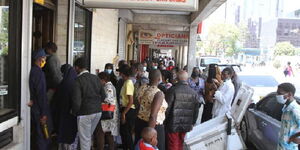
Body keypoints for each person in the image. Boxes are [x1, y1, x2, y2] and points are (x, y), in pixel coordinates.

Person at [72, 57, 106, 150]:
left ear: (77, 67)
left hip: (85, 113)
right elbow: (104, 96)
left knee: (85, 139)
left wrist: (74, 112)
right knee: (88, 136)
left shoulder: (78, 80)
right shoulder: (95, 78)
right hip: (97, 112)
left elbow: (76, 101)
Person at [165, 70, 200, 150]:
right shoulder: (194, 93)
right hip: (186, 124)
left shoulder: (172, 90)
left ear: (177, 78)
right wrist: (192, 123)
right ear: (187, 79)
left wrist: (165, 121)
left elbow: (167, 108)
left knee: (173, 145)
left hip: (172, 124)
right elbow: (196, 111)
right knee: (181, 145)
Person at [135, 70, 168, 150]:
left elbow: (136, 105)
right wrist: (151, 136)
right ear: (159, 78)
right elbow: (153, 116)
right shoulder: (158, 94)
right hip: (153, 127)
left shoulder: (141, 88)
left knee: (140, 146)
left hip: (140, 123)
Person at [29, 49, 52, 150]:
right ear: (40, 59)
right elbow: (41, 94)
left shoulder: (33, 71)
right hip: (40, 109)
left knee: (40, 135)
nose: (45, 60)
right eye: (44, 58)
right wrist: (43, 114)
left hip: (35, 108)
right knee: (43, 136)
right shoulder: (39, 73)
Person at [53, 64, 78, 150]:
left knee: (63, 135)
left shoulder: (62, 85)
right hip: (72, 115)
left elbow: (55, 101)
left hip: (63, 114)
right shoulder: (76, 83)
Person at [95, 72, 119, 150]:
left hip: (106, 114)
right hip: (111, 114)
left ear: (103, 80)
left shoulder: (108, 87)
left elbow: (108, 99)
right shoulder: (111, 86)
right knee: (109, 134)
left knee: (100, 133)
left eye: (99, 80)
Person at [276, 83, 300, 150]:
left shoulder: (295, 110)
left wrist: (294, 137)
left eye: (279, 93)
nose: (277, 96)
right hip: (282, 146)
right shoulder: (286, 108)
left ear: (289, 94)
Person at [119, 64, 137, 150]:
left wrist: (124, 114)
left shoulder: (129, 83)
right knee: (124, 133)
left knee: (127, 134)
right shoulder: (125, 82)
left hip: (128, 110)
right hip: (125, 109)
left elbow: (131, 101)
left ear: (123, 73)